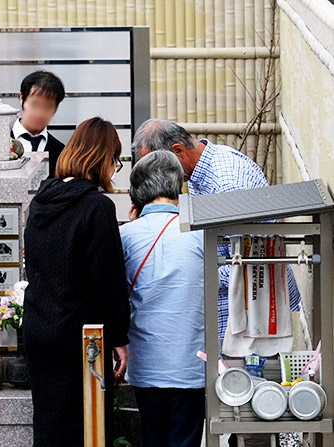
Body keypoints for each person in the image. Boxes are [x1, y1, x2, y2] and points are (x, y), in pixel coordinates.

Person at [130, 119, 301, 341]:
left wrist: (191, 272)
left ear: (178, 151)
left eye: (157, 166)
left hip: (248, 315)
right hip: (232, 308)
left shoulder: (227, 184)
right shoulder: (201, 170)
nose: (156, 177)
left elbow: (244, 264)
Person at [23, 117, 130, 446]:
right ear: (101, 158)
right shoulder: (96, 207)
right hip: (79, 337)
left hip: (38, 329)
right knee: (87, 427)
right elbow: (108, 280)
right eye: (115, 160)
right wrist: (119, 337)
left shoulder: (40, 202)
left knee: (49, 423)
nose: (115, 169)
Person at [120, 151, 205, 447]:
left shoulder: (126, 235)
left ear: (138, 191)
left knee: (152, 437)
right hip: (191, 363)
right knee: (186, 438)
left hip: (145, 362)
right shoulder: (200, 234)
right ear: (177, 185)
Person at [11, 70, 66, 177]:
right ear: (22, 98)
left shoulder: (60, 151)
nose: (40, 113)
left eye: (48, 106)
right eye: (35, 104)